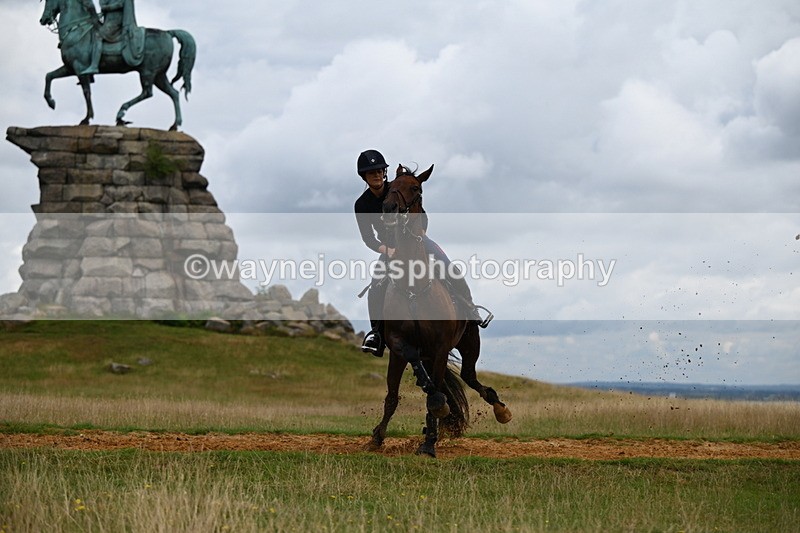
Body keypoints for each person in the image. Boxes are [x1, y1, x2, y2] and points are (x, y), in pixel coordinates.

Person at [354, 149, 491, 357]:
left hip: (418, 241)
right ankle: (377, 335)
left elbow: (423, 216)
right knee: (376, 286)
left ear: (384, 172)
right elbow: (368, 239)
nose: (376, 175)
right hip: (390, 249)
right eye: (371, 172)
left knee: (449, 267)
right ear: (364, 176)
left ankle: (471, 310)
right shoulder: (362, 204)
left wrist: (420, 236)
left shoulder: (398, 187)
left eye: (379, 171)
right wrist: (388, 251)